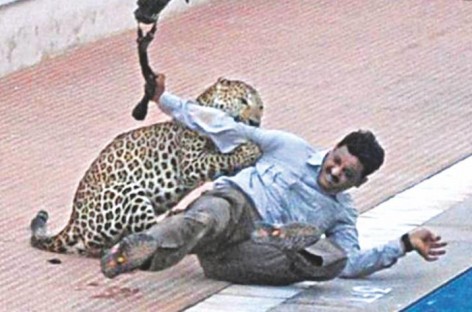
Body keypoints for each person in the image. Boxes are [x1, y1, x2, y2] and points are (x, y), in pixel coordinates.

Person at [101, 74, 447, 285]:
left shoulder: (342, 213)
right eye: (337, 161)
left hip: (248, 256)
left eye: (348, 175)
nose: (336, 172)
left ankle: (283, 238)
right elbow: (225, 127)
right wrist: (164, 98)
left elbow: (351, 265)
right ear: (332, 149)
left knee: (334, 259)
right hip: (237, 205)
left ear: (359, 184)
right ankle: (137, 252)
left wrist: (402, 244)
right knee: (203, 219)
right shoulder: (290, 147)